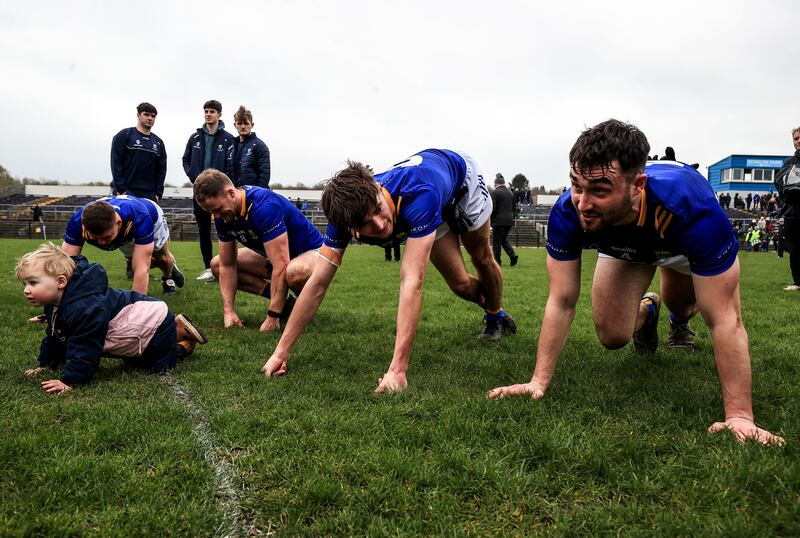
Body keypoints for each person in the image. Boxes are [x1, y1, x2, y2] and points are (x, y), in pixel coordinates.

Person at [488, 119, 783, 446]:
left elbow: (726, 320)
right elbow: (561, 300)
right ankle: (649, 311)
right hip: (625, 245)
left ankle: (676, 317)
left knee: (684, 306)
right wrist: (537, 381)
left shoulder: (693, 210)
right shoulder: (569, 211)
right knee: (612, 335)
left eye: (600, 190)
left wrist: (739, 416)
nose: (583, 204)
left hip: (678, 242)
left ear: (638, 185)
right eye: (576, 186)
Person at [263, 148, 516, 392]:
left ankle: (495, 315)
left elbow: (411, 281)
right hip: (431, 196)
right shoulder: (344, 217)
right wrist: (280, 352)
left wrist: (397, 371)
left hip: (461, 181)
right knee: (460, 284)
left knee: (481, 257)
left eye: (378, 209)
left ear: (376, 187)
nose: (380, 224)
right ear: (349, 227)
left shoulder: (419, 194)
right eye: (365, 224)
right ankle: (495, 307)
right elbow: (317, 284)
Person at [17, 243, 207, 393]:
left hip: (155, 319)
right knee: (132, 362)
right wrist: (47, 366)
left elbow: (85, 346)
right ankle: (177, 330)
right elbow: (55, 337)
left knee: (158, 367)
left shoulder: (85, 309)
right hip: (140, 322)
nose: (27, 290)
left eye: (33, 283)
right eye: (25, 283)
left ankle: (183, 341)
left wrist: (71, 381)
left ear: (61, 281)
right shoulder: (56, 303)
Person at [193, 169, 322, 332]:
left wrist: (273, 316)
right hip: (276, 257)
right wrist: (229, 311)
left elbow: (281, 265)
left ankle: (304, 306)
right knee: (217, 265)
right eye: (211, 212)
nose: (216, 216)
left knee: (294, 272)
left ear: (231, 193)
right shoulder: (222, 215)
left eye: (218, 209)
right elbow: (227, 265)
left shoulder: (264, 206)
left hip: (311, 253)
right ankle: (288, 303)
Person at [61, 195, 185, 296]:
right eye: (94, 238)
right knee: (135, 262)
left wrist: (135, 308)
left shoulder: (139, 218)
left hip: (151, 216)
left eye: (106, 237)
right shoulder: (77, 222)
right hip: (125, 228)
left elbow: (141, 269)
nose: (102, 243)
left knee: (160, 257)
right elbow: (65, 267)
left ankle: (168, 277)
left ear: (118, 224)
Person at [111, 102, 168, 279]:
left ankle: (144, 269)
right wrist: (121, 189)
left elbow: (162, 169)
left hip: (149, 195)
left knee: (147, 235)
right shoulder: (124, 136)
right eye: (147, 114)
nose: (150, 118)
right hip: (127, 193)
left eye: (153, 116)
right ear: (138, 115)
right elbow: (116, 163)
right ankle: (131, 263)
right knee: (126, 234)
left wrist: (158, 192)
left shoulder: (158, 143)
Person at [182, 99, 235, 282]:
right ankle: (208, 268)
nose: (208, 114)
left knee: (226, 231)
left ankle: (226, 268)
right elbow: (185, 159)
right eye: (206, 111)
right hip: (201, 194)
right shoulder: (195, 138)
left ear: (219, 114)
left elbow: (231, 165)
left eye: (212, 111)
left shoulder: (228, 139)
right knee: (203, 230)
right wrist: (194, 178)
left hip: (220, 195)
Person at [775, 126, 800, 291]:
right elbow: (779, 184)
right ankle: (798, 282)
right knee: (795, 247)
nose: (798, 141)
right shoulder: (788, 162)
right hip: (793, 212)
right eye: (796, 139)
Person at [227, 106, 270, 188]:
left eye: (246, 123)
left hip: (253, 195)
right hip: (235, 195)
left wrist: (257, 195)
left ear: (252, 125)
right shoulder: (230, 147)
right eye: (239, 123)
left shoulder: (260, 146)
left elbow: (264, 176)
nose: (243, 126)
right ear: (235, 125)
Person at [490, 173, 518, 266]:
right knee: (503, 240)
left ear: (496, 184)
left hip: (498, 221)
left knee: (496, 243)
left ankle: (497, 262)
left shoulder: (495, 192)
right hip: (509, 221)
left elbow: (493, 208)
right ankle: (513, 256)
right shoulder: (510, 193)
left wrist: (491, 220)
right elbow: (514, 208)